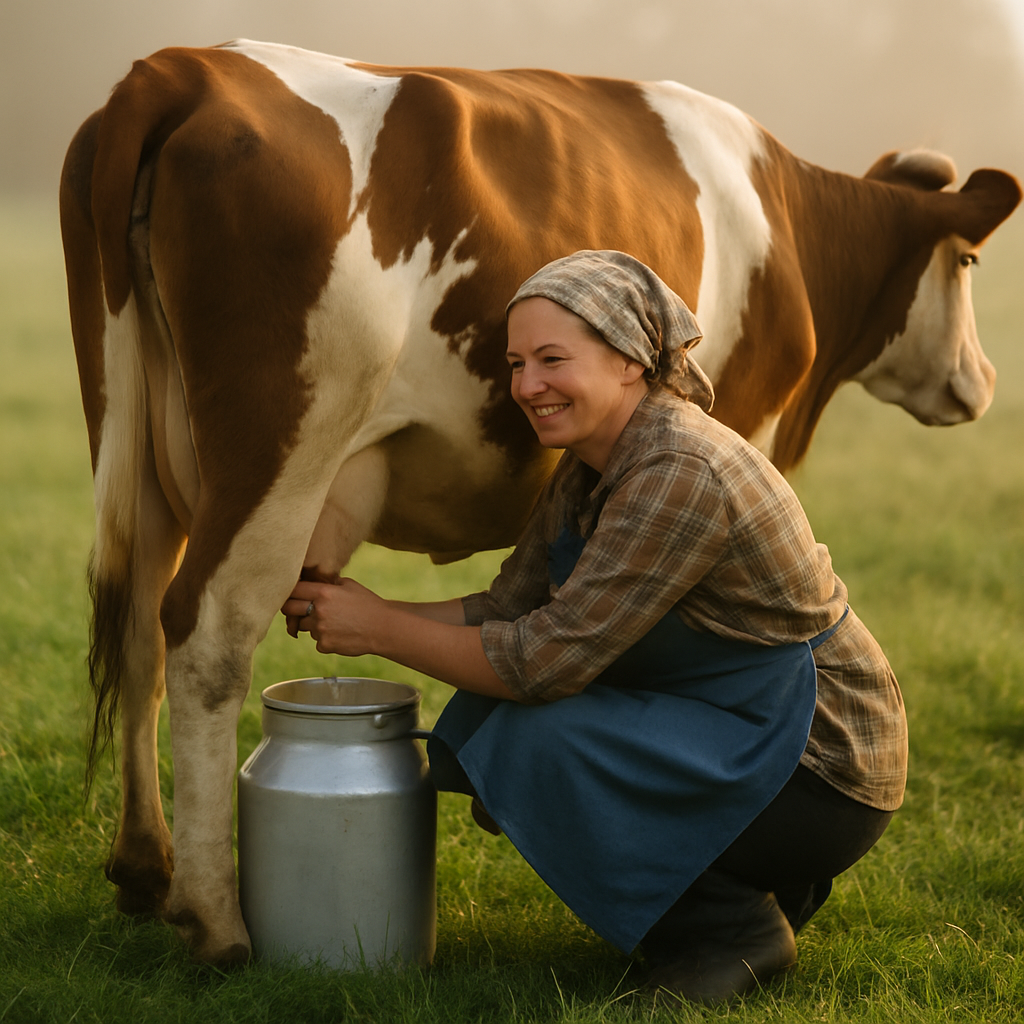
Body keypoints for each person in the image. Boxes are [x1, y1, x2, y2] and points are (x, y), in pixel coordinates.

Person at [282, 251, 907, 1005]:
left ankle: (730, 931)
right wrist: (357, 610)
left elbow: (539, 663)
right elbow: (510, 608)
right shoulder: (596, 463)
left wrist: (380, 629)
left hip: (820, 768)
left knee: (530, 733)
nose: (526, 386)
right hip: (746, 728)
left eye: (552, 359)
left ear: (629, 363)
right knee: (497, 720)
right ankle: (745, 884)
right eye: (516, 363)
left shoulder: (679, 469)